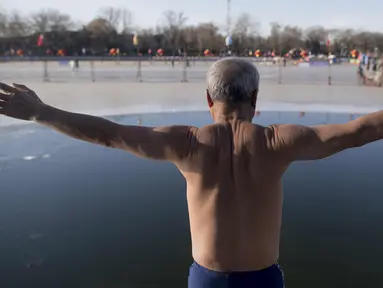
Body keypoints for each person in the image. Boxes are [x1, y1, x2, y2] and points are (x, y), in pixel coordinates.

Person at [1, 58, 382, 287]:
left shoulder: (188, 144)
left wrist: (41, 112)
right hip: (263, 280)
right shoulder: (278, 143)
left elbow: (109, 135)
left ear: (208, 99)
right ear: (254, 99)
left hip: (207, 280)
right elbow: (360, 131)